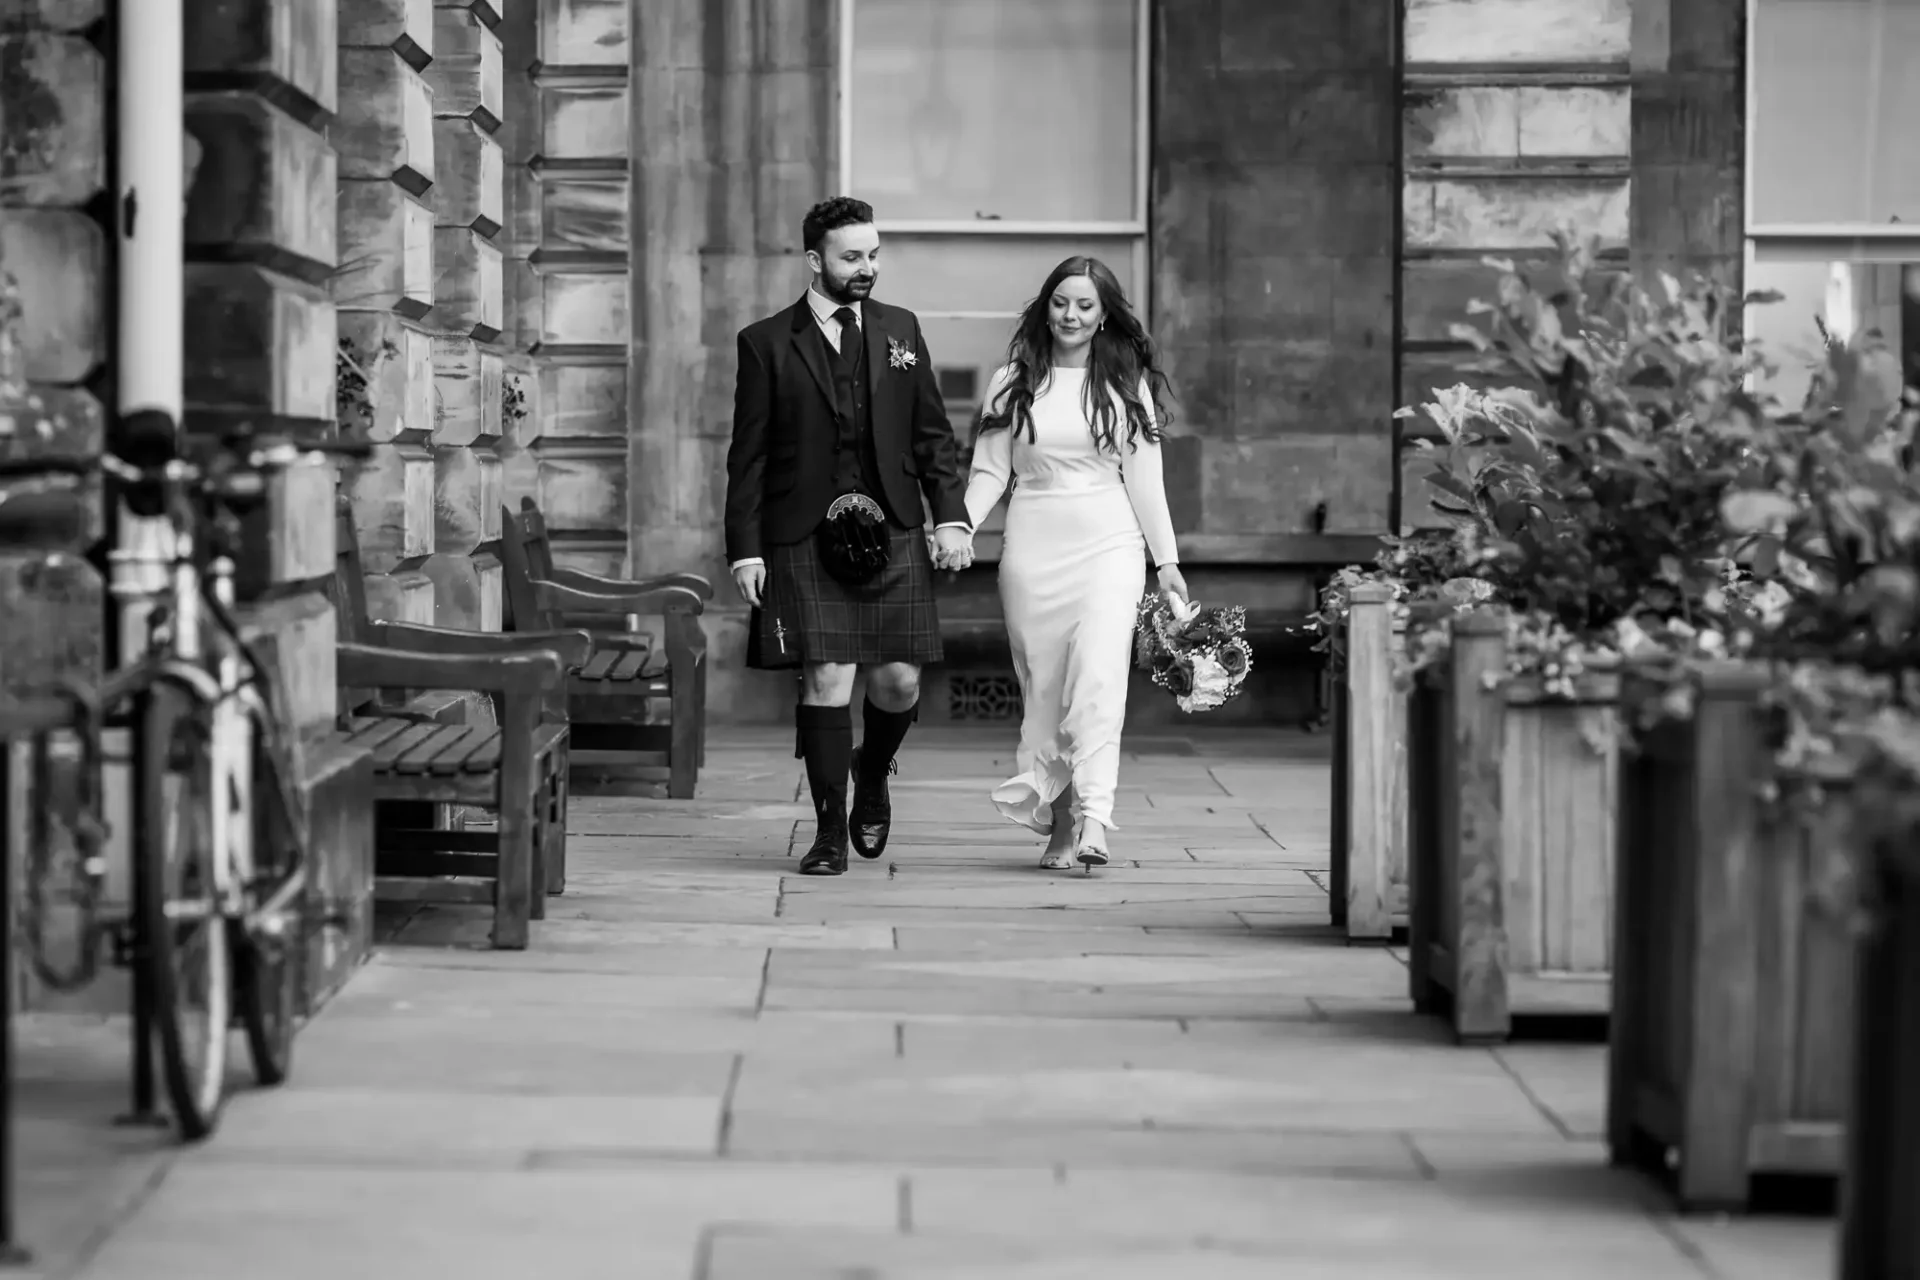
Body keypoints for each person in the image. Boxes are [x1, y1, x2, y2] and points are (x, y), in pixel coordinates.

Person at [724, 196, 974, 877]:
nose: (868, 268)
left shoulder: (901, 329)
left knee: (897, 681)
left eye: (874, 255)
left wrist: (949, 515)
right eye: (852, 257)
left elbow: (932, 436)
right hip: (805, 533)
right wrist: (745, 548)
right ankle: (829, 827)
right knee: (828, 677)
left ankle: (873, 771)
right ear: (815, 260)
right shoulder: (766, 343)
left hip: (891, 525)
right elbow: (747, 457)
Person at [958, 256, 1186, 871]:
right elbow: (989, 470)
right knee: (1048, 692)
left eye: (1086, 305)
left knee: (1099, 678)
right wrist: (961, 523)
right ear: (1046, 306)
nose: (1072, 315)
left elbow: (1146, 481)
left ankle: (1095, 819)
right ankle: (1060, 828)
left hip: (1110, 545)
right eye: (1062, 302)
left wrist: (1165, 562)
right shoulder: (1013, 379)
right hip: (1033, 548)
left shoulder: (1124, 382)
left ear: (1104, 313)